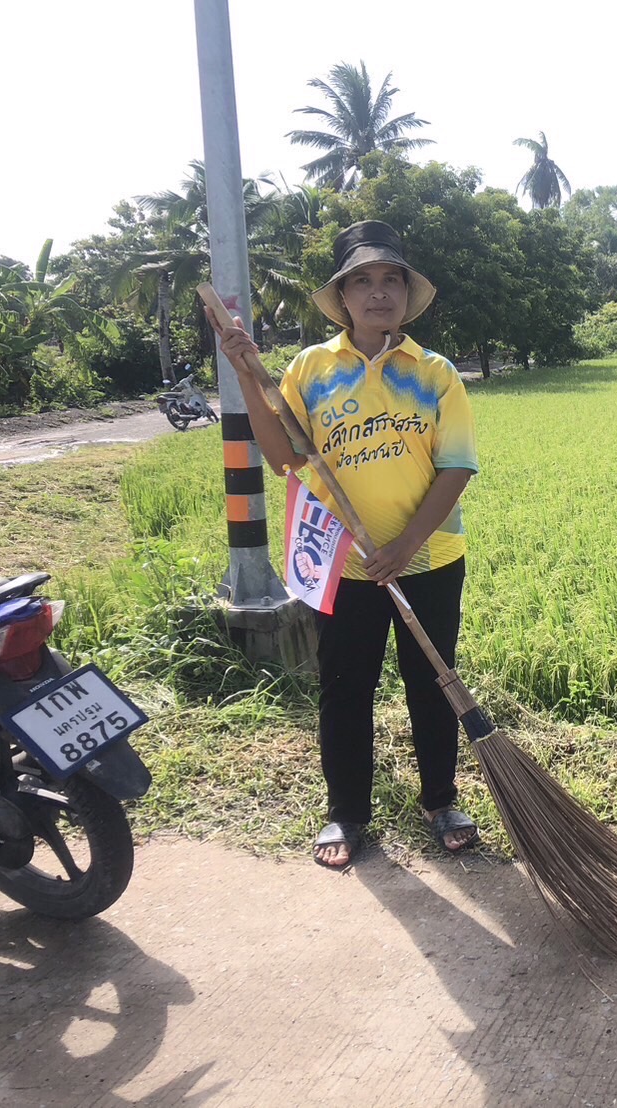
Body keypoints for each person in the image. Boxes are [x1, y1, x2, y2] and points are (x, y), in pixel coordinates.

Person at [213, 220, 480, 869]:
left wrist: (406, 545)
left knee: (433, 682)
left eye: (390, 279)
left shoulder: (435, 373)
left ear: (405, 293)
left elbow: (456, 468)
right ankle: (346, 812)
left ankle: (440, 798)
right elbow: (283, 457)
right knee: (344, 687)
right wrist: (247, 375)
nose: (378, 293)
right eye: (362, 280)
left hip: (430, 561)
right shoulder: (310, 370)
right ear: (343, 295)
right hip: (343, 563)